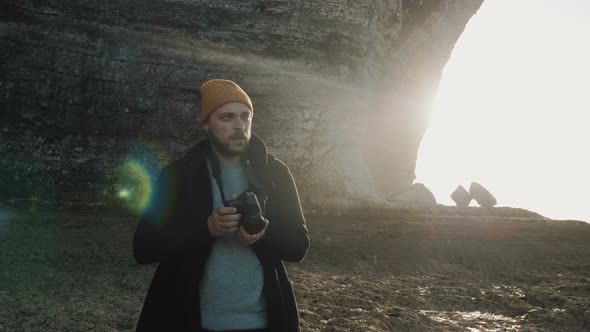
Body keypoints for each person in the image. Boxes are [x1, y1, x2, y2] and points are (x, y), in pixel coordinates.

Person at [132, 79, 310, 332]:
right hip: (191, 321)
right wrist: (205, 228)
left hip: (263, 322)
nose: (239, 125)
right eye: (226, 117)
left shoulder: (276, 174)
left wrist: (262, 235)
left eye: (245, 116)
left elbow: (299, 247)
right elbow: (143, 247)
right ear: (206, 123)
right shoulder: (178, 175)